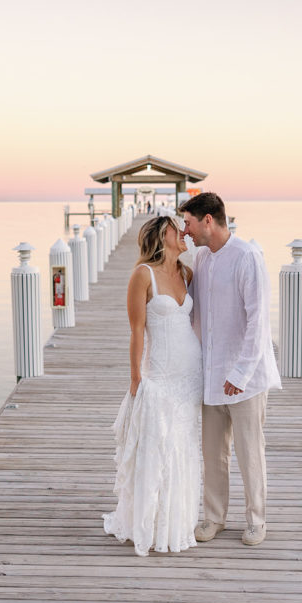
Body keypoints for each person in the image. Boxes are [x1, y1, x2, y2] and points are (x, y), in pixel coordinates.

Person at [178, 192, 281, 546]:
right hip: (210, 374)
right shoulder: (202, 258)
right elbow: (194, 314)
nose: (185, 231)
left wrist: (240, 374)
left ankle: (256, 521)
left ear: (209, 220)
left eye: (188, 223)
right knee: (213, 453)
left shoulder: (247, 256)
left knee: (250, 453)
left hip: (245, 380)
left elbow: (258, 323)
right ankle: (214, 518)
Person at [102, 215, 203, 556]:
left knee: (183, 449)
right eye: (180, 228)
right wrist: (135, 380)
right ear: (165, 235)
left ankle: (178, 520)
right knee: (159, 447)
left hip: (190, 376)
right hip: (158, 377)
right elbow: (136, 332)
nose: (185, 233)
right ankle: (151, 522)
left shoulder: (187, 274)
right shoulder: (141, 275)